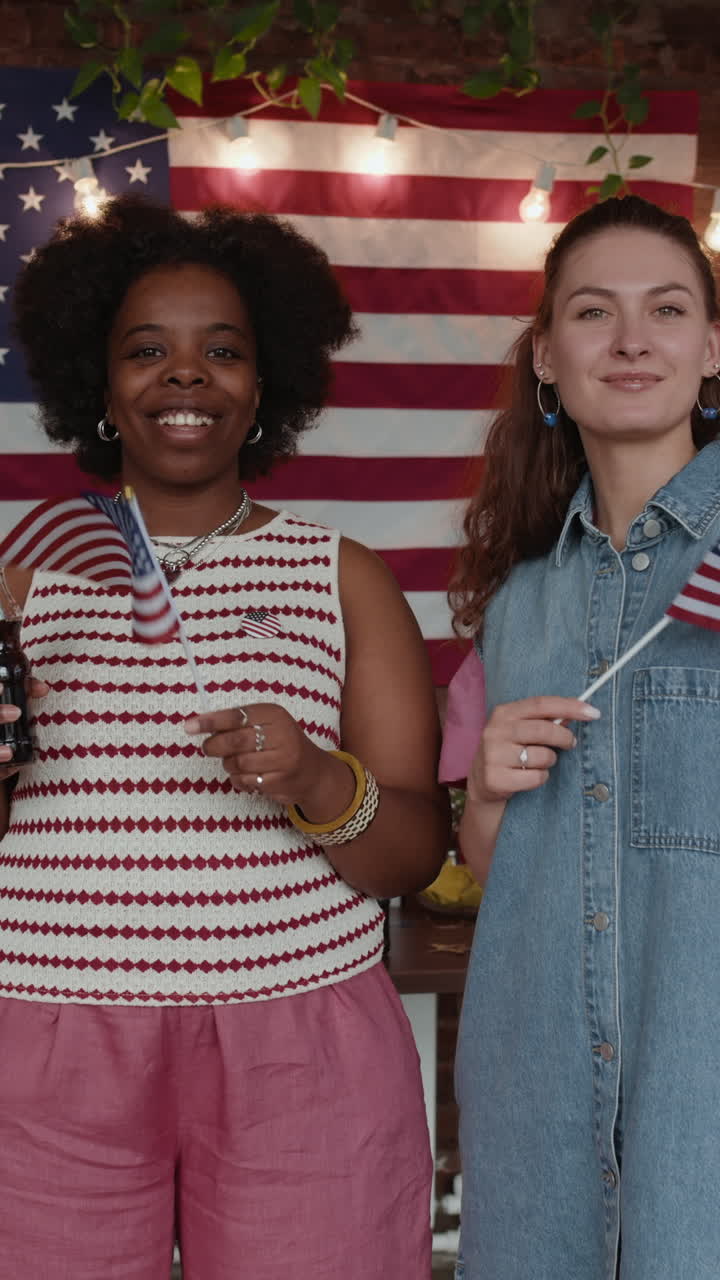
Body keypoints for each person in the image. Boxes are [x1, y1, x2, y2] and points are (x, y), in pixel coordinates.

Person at [0, 194, 449, 1279]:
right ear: (100, 386)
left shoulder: (342, 578)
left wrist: (315, 777)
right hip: (44, 1040)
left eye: (224, 351)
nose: (185, 375)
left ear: (264, 386)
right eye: (146, 350)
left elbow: (412, 854)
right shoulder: (20, 585)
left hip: (302, 1039)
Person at [444, 194, 720, 1279]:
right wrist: (485, 795)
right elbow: (490, 866)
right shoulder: (520, 600)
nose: (633, 339)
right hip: (539, 1105)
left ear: (712, 348)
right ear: (547, 358)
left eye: (668, 309)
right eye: (595, 312)